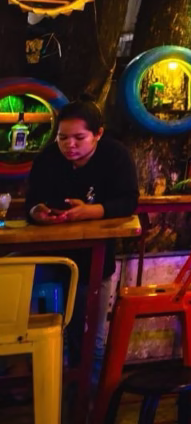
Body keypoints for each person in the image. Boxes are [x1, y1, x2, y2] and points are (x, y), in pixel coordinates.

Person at [26, 99, 140, 375]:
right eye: (63, 138)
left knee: (91, 339)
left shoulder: (115, 156)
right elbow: (33, 200)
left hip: (94, 262)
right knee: (49, 335)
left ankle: (89, 404)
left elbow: (128, 201)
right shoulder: (48, 158)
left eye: (79, 138)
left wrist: (92, 211)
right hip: (51, 259)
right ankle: (51, 394)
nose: (70, 145)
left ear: (98, 134)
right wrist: (37, 211)